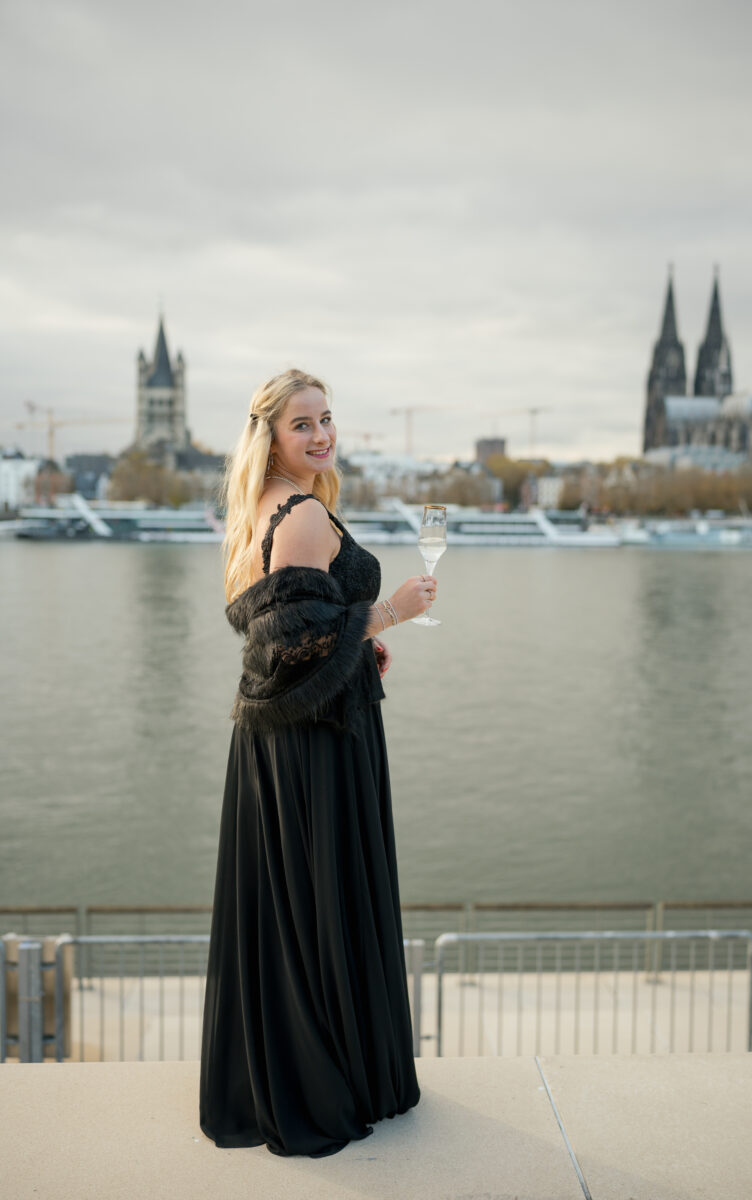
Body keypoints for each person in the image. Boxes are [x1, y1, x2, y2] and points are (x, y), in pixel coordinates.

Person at [199, 367, 437, 1157]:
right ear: (268, 434)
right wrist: (391, 613)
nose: (321, 434)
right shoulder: (298, 513)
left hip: (300, 735)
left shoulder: (271, 506)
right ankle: (327, 1081)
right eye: (302, 423)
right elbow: (296, 648)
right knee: (323, 901)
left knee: (299, 907)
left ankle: (310, 1068)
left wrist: (360, 650)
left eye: (327, 418)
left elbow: (301, 637)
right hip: (316, 744)